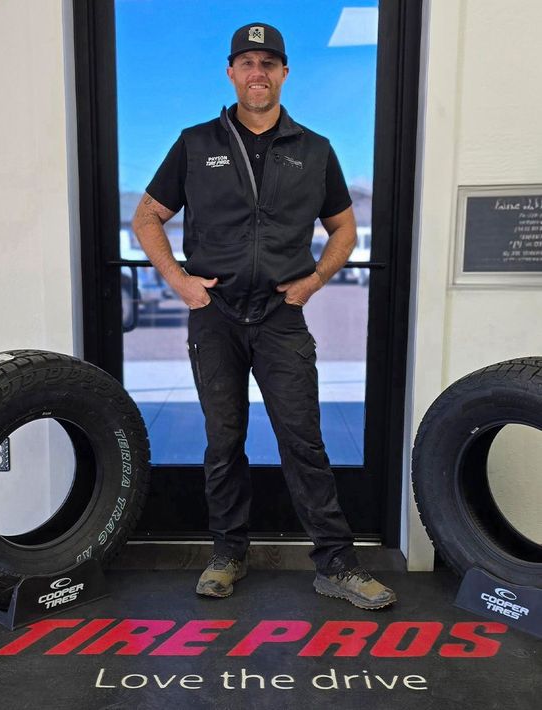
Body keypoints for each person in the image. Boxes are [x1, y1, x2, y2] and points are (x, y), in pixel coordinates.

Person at [132, 22, 396, 610]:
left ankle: (336, 563)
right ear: (231, 71)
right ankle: (228, 553)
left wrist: (313, 281)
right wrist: (179, 282)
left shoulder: (314, 149)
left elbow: (343, 228)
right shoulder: (196, 143)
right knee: (223, 441)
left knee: (304, 440)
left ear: (283, 73)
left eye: (269, 62)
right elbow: (148, 217)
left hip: (281, 316)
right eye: (248, 62)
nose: (258, 72)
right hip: (215, 315)